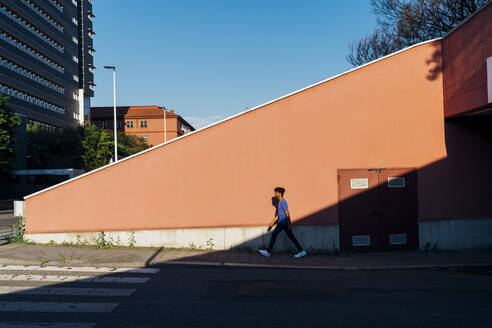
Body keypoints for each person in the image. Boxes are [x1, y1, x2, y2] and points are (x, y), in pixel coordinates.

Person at [259, 187, 306, 258]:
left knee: (274, 234)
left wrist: (289, 224)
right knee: (291, 237)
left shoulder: (283, 202)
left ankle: (268, 252)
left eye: (276, 192)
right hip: (283, 223)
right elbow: (279, 215)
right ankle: (301, 251)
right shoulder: (280, 203)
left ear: (279, 193)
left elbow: (287, 213)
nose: (275, 193)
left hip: (283, 223)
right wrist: (273, 222)